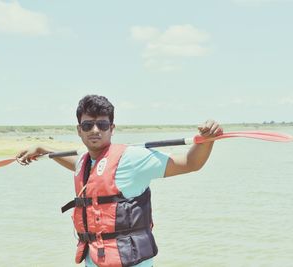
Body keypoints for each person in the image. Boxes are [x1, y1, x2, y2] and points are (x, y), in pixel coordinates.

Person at [17, 94, 223, 267]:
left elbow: (190, 162)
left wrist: (207, 140)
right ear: (79, 130)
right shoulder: (84, 160)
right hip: (95, 258)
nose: (95, 130)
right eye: (88, 125)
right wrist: (43, 148)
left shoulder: (132, 158)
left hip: (129, 261)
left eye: (102, 124)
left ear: (112, 128)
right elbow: (78, 164)